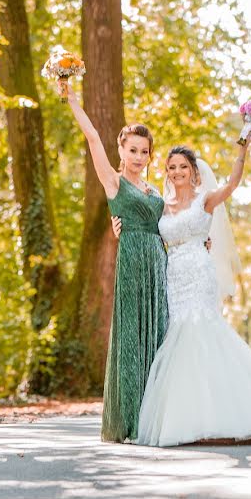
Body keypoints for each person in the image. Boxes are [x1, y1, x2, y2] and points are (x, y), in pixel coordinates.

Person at [113, 141, 251, 446]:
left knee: (200, 333)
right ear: (167, 172)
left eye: (183, 166)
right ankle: (189, 416)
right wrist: (118, 229)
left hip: (199, 273)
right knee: (177, 337)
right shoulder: (161, 205)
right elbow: (142, 227)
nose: (178, 171)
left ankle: (229, 414)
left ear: (193, 171)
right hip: (173, 277)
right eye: (172, 167)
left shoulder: (205, 200)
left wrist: (242, 149)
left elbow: (233, 184)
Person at [65, 86, 168, 443]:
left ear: (150, 156)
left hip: (159, 265)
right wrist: (74, 100)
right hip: (132, 262)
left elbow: (174, 223)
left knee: (158, 335)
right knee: (130, 337)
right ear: (121, 151)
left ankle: (157, 418)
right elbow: (93, 138)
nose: (138, 156)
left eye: (144, 151)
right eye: (132, 150)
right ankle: (130, 420)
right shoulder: (114, 182)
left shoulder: (156, 192)